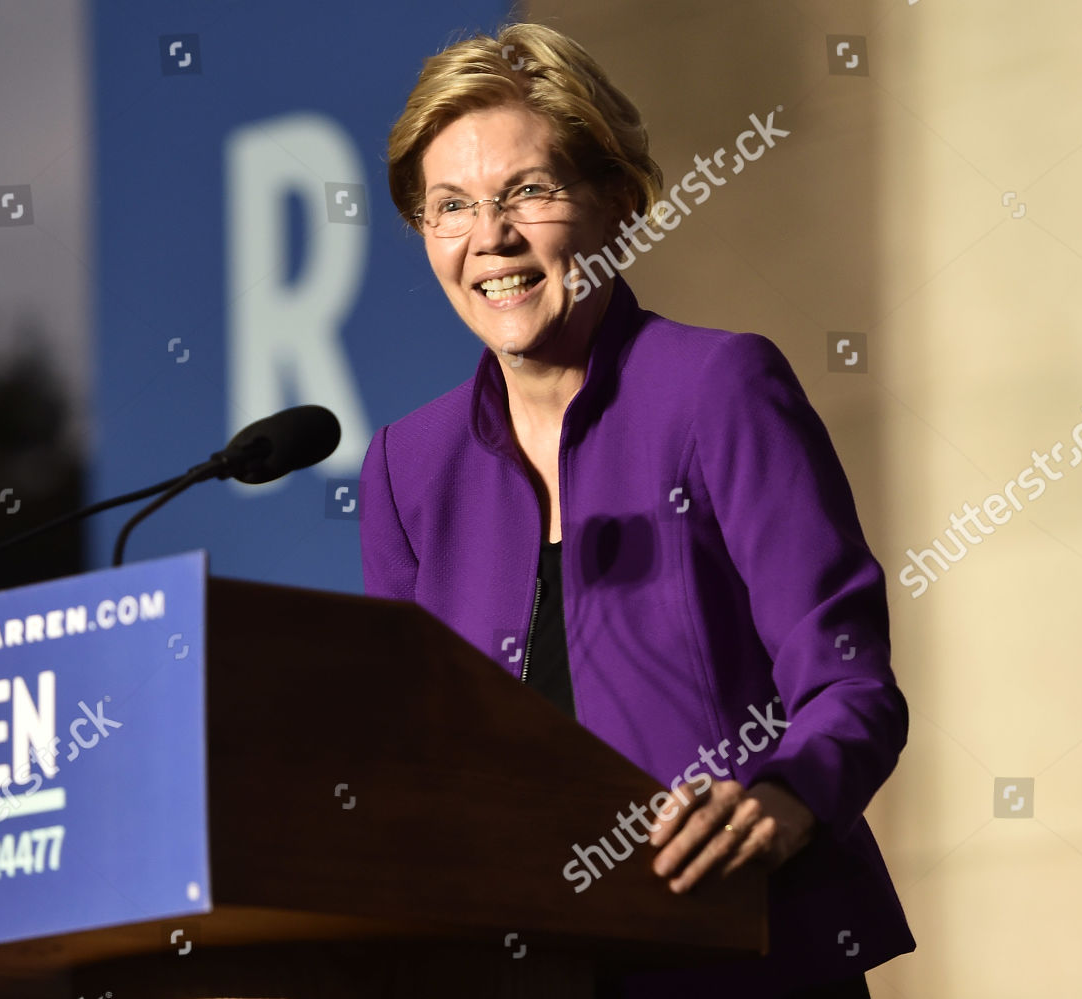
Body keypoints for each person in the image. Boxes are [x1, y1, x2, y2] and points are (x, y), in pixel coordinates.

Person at [358, 21, 913, 999]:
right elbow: (412, 759)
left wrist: (784, 795)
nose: (490, 238)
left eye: (528, 191)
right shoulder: (409, 467)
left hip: (738, 955)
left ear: (616, 200)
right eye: (450, 206)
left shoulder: (718, 388)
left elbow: (850, 684)